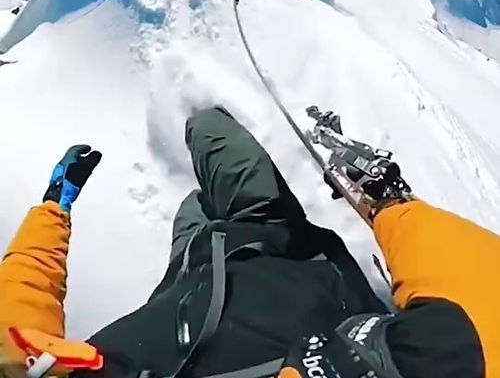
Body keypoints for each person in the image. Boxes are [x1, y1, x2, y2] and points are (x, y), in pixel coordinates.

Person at [1, 107, 500, 378]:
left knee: (197, 194)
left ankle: (196, 115)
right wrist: (392, 207)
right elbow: (482, 309)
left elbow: (18, 310)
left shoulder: (27, 366)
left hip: (195, 272)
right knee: (213, 133)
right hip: (292, 250)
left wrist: (53, 208)